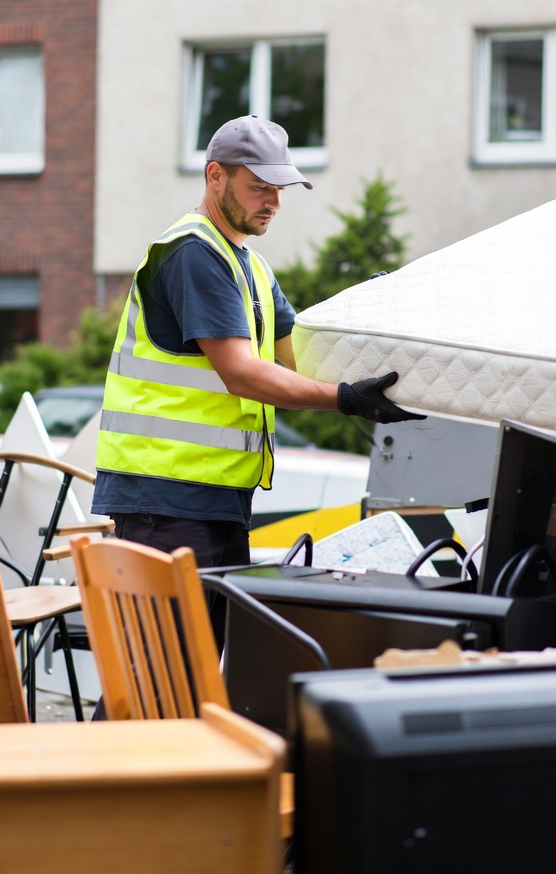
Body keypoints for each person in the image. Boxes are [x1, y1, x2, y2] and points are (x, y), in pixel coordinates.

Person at [91, 113, 412, 648]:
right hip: (163, 497)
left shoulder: (249, 266)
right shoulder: (194, 252)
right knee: (156, 674)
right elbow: (242, 373)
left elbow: (303, 354)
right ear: (215, 176)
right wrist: (344, 399)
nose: (273, 202)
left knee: (196, 676)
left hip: (213, 498)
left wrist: (371, 316)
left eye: (279, 189)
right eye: (259, 187)